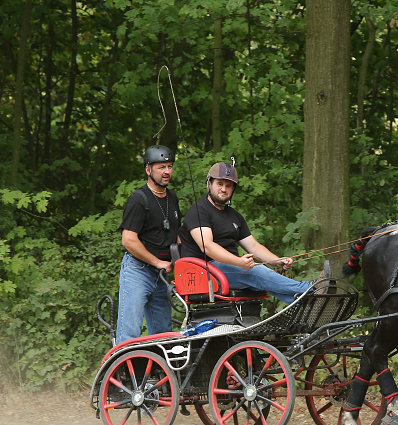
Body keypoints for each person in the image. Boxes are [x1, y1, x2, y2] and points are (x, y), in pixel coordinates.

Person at [177, 161, 330, 304]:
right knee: (255, 271)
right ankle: (311, 289)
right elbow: (207, 246)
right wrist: (239, 262)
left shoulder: (234, 216)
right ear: (209, 183)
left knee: (264, 277)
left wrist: (277, 261)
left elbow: (254, 247)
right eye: (220, 184)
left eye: (229, 186)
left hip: (228, 268)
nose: (224, 189)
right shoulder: (199, 211)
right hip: (204, 272)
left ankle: (307, 307)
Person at [115, 145, 182, 344]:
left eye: (169, 166)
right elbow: (128, 240)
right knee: (130, 333)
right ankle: (124, 373)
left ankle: (156, 373)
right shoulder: (139, 199)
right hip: (138, 270)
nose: (167, 171)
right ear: (148, 170)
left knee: (163, 335)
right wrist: (157, 262)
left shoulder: (172, 197)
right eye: (161, 167)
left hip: (162, 275)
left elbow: (177, 236)